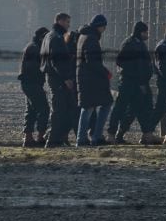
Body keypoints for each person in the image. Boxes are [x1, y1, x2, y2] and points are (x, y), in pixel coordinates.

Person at [111, 21, 157, 145]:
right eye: (146, 32)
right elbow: (121, 61)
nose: (147, 35)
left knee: (137, 109)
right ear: (141, 32)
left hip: (136, 82)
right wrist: (137, 76)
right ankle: (114, 134)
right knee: (124, 109)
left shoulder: (136, 44)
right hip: (132, 83)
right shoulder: (131, 44)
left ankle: (141, 134)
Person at [76, 15, 112, 146]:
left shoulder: (83, 36)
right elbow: (93, 62)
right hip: (92, 79)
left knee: (87, 108)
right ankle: (95, 136)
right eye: (104, 27)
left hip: (85, 78)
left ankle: (82, 138)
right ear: (100, 26)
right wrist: (105, 72)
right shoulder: (92, 39)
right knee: (105, 104)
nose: (104, 30)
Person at [41, 13, 76, 147]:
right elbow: (57, 60)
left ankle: (55, 136)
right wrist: (66, 77)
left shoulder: (49, 36)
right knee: (61, 109)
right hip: (58, 78)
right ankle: (53, 139)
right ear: (60, 21)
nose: (68, 25)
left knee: (62, 108)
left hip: (52, 76)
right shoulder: (57, 37)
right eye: (67, 22)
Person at [19, 27, 50, 147]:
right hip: (32, 83)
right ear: (42, 37)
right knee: (44, 109)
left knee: (31, 110)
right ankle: (40, 137)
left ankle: (28, 138)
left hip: (29, 83)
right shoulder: (35, 49)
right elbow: (34, 68)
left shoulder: (33, 46)